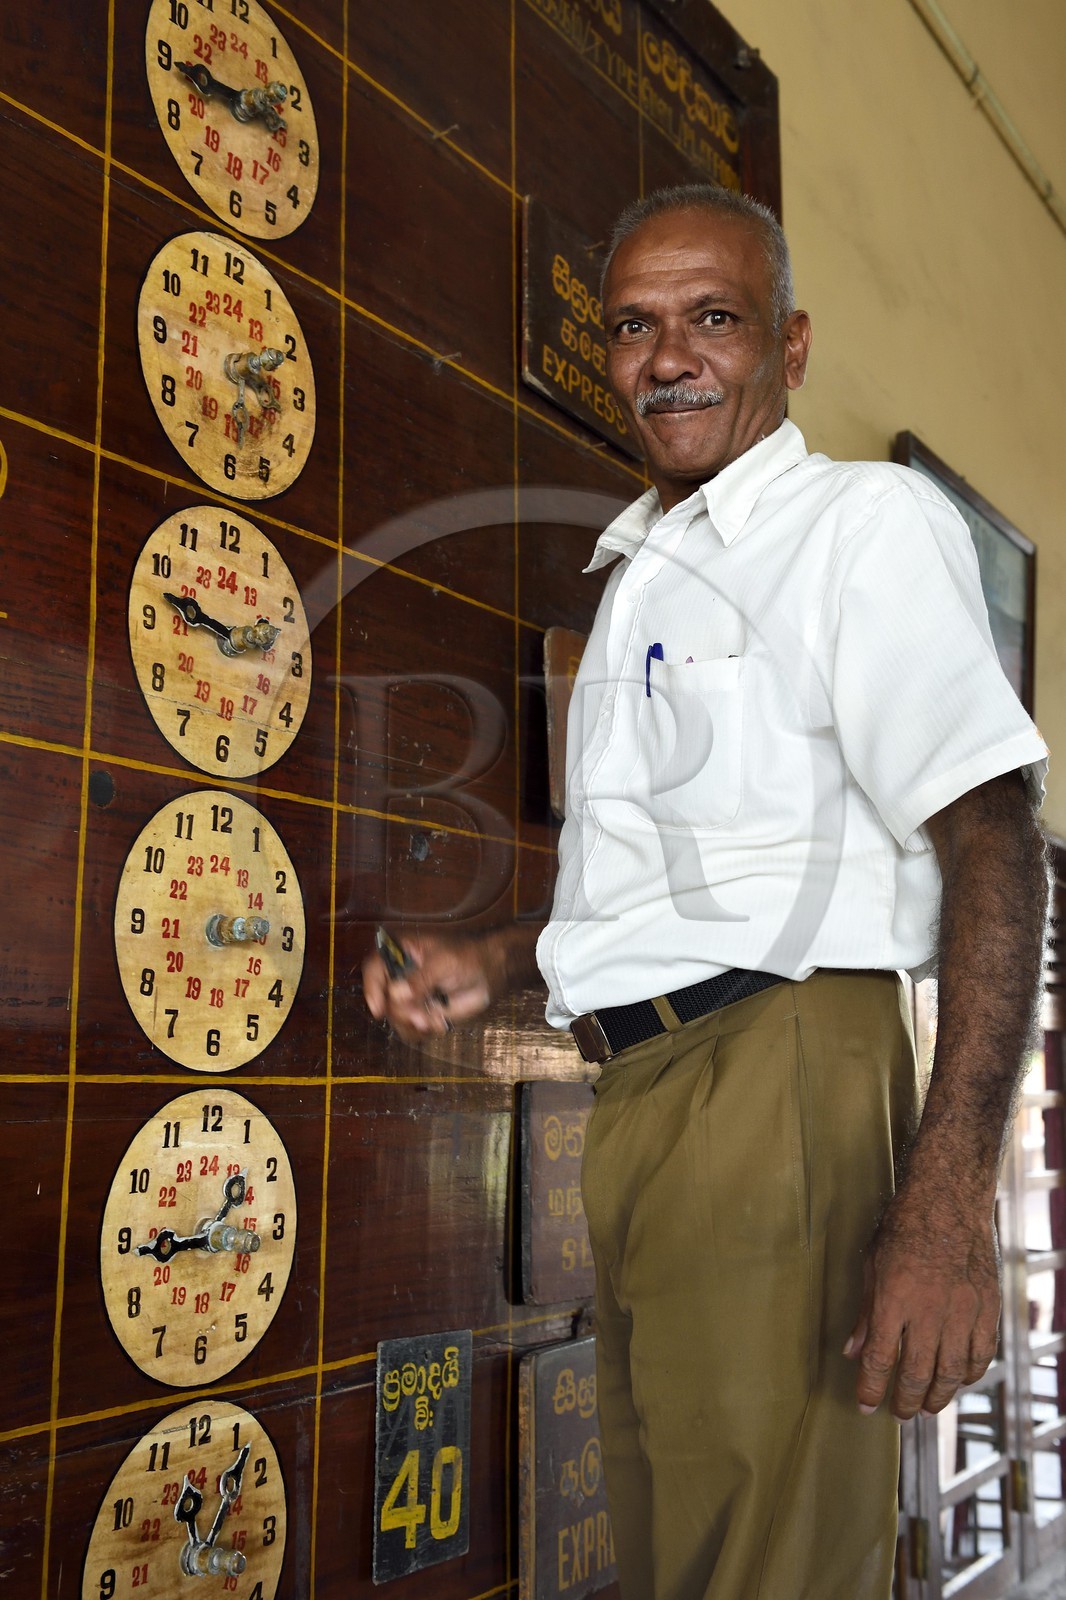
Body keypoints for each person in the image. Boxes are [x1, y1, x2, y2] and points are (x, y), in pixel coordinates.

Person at [363, 184, 1049, 1599]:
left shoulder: (855, 526)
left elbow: (995, 839)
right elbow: (701, 881)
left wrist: (945, 1202)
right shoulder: (642, 578)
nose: (669, 356)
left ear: (788, 346)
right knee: (684, 1556)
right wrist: (503, 960)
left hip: (777, 1081)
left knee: (766, 1568)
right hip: (643, 1099)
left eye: (713, 318)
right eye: (633, 326)